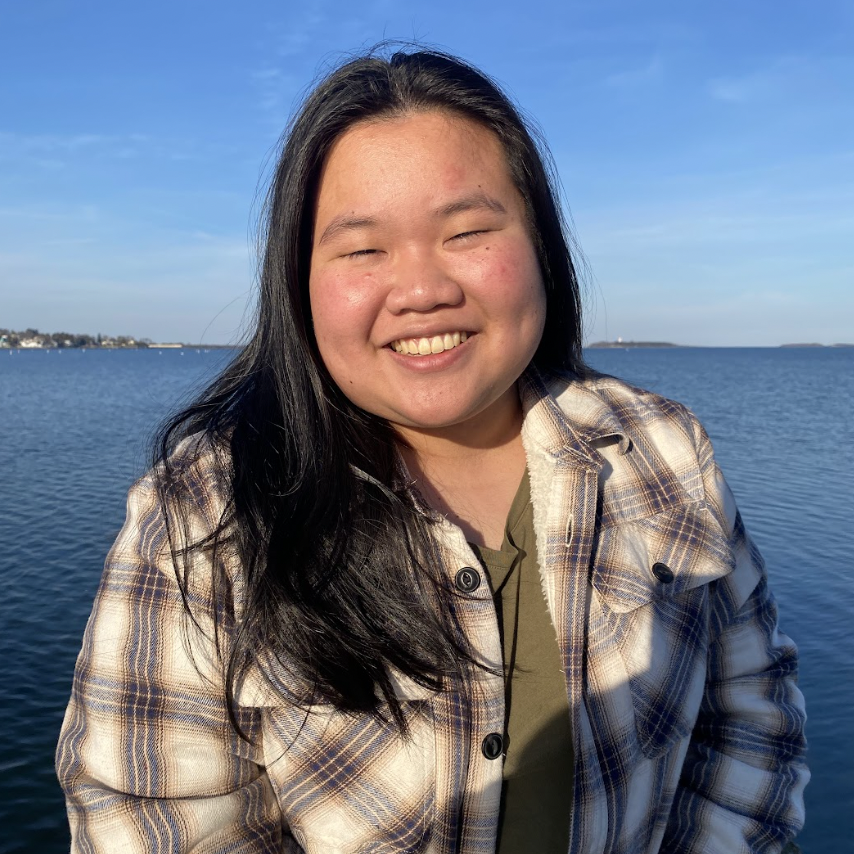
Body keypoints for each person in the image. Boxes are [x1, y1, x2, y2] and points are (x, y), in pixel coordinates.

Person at [56, 47, 808, 854]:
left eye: (469, 231)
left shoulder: (660, 450)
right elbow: (144, 816)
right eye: (362, 249)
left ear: (543, 248)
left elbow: (753, 717)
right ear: (298, 280)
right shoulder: (202, 514)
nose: (421, 289)